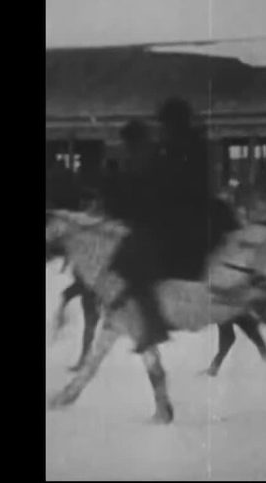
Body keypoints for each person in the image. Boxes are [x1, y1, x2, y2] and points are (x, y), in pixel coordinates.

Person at [106, 99, 238, 353]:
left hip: (187, 219)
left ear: (174, 123)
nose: (163, 129)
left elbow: (172, 185)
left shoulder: (183, 146)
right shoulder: (184, 144)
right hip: (187, 214)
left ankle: (152, 325)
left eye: (165, 124)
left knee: (132, 261)